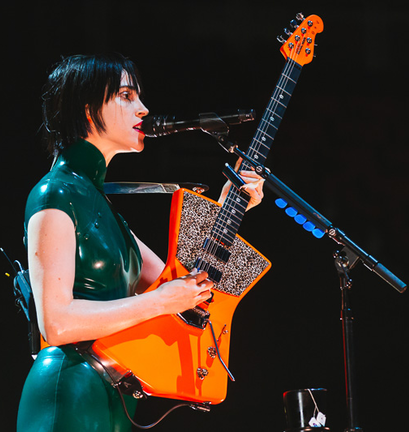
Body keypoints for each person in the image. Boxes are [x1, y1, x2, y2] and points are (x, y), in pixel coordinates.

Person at [16, 53, 265, 431]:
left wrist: (232, 204)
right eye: (126, 96)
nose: (144, 108)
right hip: (68, 391)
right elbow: (57, 323)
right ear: (88, 110)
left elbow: (189, 283)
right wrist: (160, 301)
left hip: (111, 393)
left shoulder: (100, 205)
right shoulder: (55, 194)